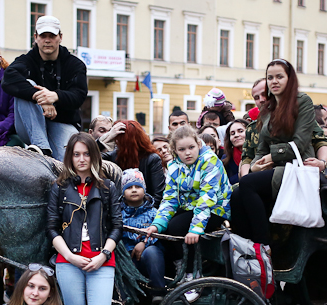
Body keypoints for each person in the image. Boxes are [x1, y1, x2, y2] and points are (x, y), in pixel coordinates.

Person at [46, 133, 121, 305]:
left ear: (94, 156)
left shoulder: (108, 187)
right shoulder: (59, 187)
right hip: (69, 261)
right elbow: (52, 227)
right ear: (69, 157)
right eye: (76, 154)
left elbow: (116, 225)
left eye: (86, 154)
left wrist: (103, 255)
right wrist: (69, 255)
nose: (81, 159)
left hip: (102, 261)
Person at [230, 59, 313, 246]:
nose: (274, 81)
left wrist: (271, 157)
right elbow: (261, 148)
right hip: (274, 170)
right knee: (236, 194)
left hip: (296, 167)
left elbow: (300, 144)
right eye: (270, 78)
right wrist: (255, 166)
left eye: (279, 77)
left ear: (289, 79)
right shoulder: (268, 109)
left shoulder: (302, 101)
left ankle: (262, 245)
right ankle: (247, 247)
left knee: (247, 184)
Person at [147, 126, 230, 278]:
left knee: (177, 227)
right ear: (175, 151)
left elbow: (207, 198)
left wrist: (195, 229)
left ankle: (193, 272)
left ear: (198, 145)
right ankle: (175, 270)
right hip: (190, 207)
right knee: (163, 230)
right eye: (182, 149)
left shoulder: (209, 161)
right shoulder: (174, 166)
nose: (187, 153)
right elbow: (169, 198)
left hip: (216, 208)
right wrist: (157, 224)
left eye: (191, 147)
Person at [2, 16, 89, 161]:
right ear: (36, 37)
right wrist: (40, 97)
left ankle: (45, 154)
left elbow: (79, 96)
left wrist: (56, 96)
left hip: (62, 123)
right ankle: (41, 148)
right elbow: (7, 80)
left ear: (60, 37)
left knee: (68, 161)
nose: (47, 40)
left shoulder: (75, 64)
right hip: (29, 126)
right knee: (26, 84)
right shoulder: (27, 60)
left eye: (52, 36)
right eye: (43, 36)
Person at [119, 168, 165, 305]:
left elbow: (160, 233)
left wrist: (142, 243)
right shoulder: (119, 213)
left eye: (138, 186)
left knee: (152, 252)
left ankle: (158, 289)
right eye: (130, 187)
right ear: (123, 192)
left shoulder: (154, 212)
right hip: (129, 261)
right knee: (139, 302)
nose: (135, 190)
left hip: (149, 259)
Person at [102, 120, 166, 207]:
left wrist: (146, 215)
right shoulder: (113, 156)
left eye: (118, 139)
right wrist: (107, 137)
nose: (115, 142)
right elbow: (89, 157)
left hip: (147, 212)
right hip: (120, 213)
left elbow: (158, 194)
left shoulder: (152, 159)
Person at [239, 78, 268, 178]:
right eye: (256, 97)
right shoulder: (252, 128)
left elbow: (318, 141)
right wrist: (246, 178)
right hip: (256, 177)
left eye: (264, 94)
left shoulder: (293, 118)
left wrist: (320, 162)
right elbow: (247, 157)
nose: (261, 100)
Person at [222, 119, 248, 185]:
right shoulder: (225, 159)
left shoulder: (260, 154)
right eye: (232, 133)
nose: (236, 135)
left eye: (240, 131)